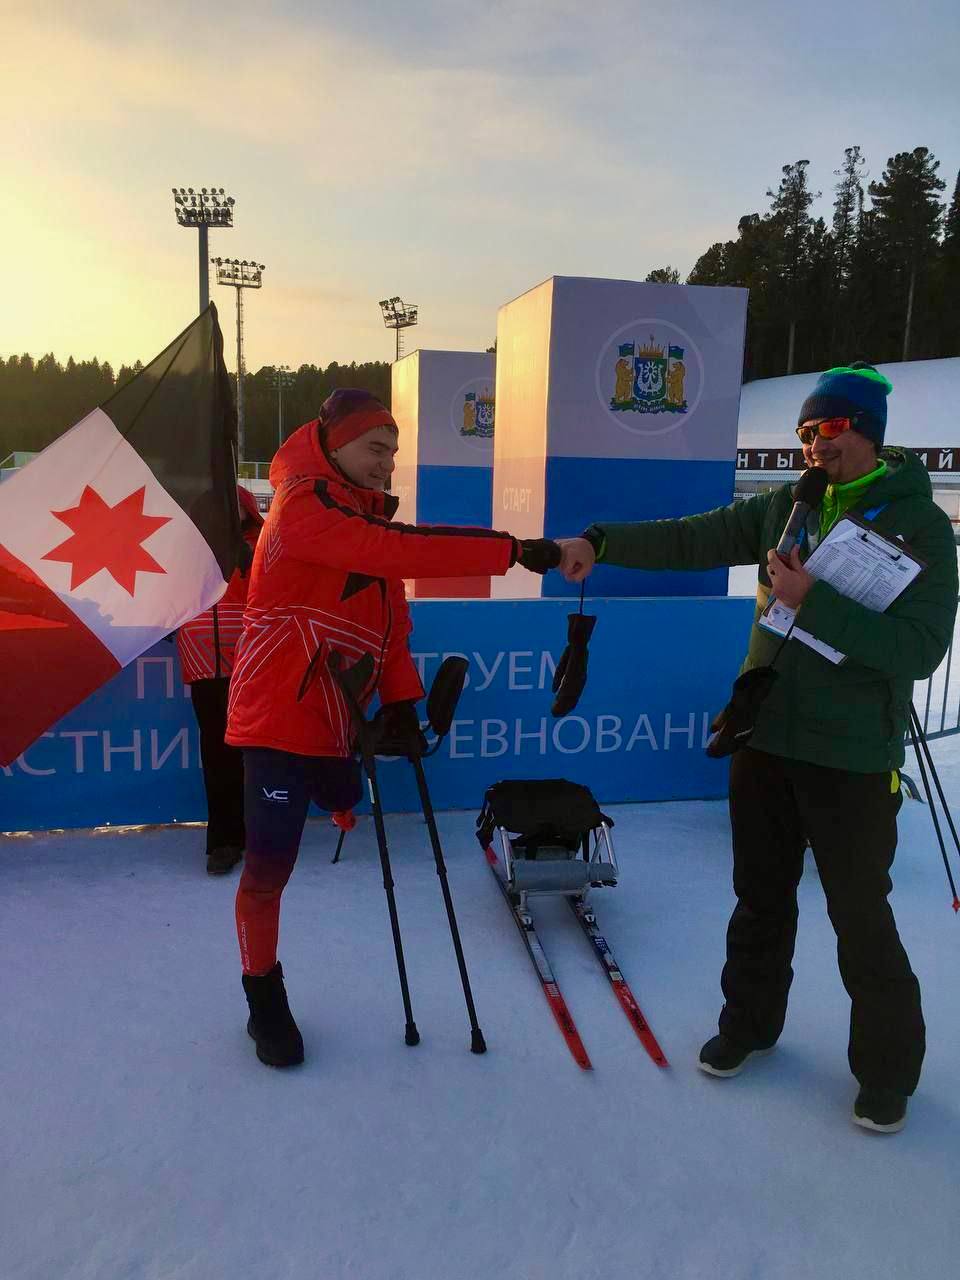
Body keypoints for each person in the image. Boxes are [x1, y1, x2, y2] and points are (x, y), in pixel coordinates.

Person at [558, 362, 958, 1134]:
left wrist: (818, 604)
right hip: (765, 735)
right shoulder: (790, 504)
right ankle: (748, 1025)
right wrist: (602, 542)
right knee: (760, 899)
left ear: (869, 431)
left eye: (830, 429)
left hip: (850, 757)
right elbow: (697, 537)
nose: (815, 443)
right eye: (805, 431)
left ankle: (886, 1072)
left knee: (860, 918)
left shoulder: (919, 523)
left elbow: (922, 648)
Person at [224, 388, 559, 1067]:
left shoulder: (356, 510)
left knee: (344, 796)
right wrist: (516, 550)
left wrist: (402, 703)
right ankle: (264, 999)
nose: (387, 465)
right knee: (269, 865)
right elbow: (403, 550)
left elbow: (390, 628)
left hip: (335, 719)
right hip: (275, 719)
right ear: (335, 444)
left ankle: (340, 804)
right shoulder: (304, 505)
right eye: (376, 449)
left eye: (393, 453)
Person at [177, 485, 264, 876]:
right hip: (203, 666)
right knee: (217, 753)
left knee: (256, 754)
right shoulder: (187, 549)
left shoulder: (262, 546)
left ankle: (258, 834)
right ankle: (224, 841)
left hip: (251, 664)